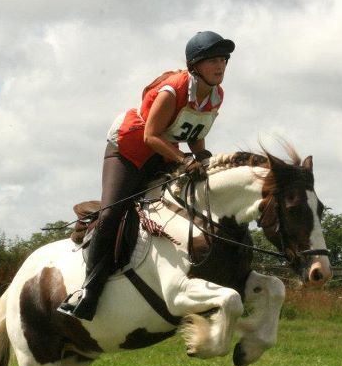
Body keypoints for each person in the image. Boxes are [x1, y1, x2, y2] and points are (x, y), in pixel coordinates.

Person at [58, 31, 236, 320]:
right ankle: (87, 291)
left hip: (162, 152)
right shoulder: (172, 90)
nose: (220, 66)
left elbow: (195, 132)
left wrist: (202, 157)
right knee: (112, 214)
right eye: (213, 60)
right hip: (128, 149)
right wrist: (184, 160)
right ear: (195, 66)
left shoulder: (217, 95)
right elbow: (151, 136)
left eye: (224, 60)